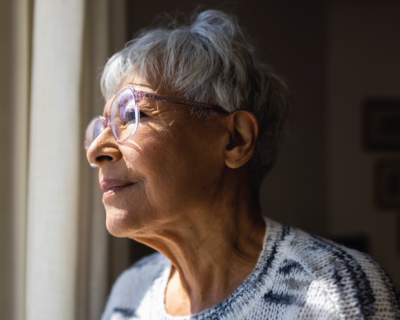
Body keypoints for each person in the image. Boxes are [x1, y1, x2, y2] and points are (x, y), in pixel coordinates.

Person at [85, 9, 400, 320]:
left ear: (236, 139)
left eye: (131, 116)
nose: (96, 150)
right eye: (100, 128)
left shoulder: (338, 294)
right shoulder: (131, 292)